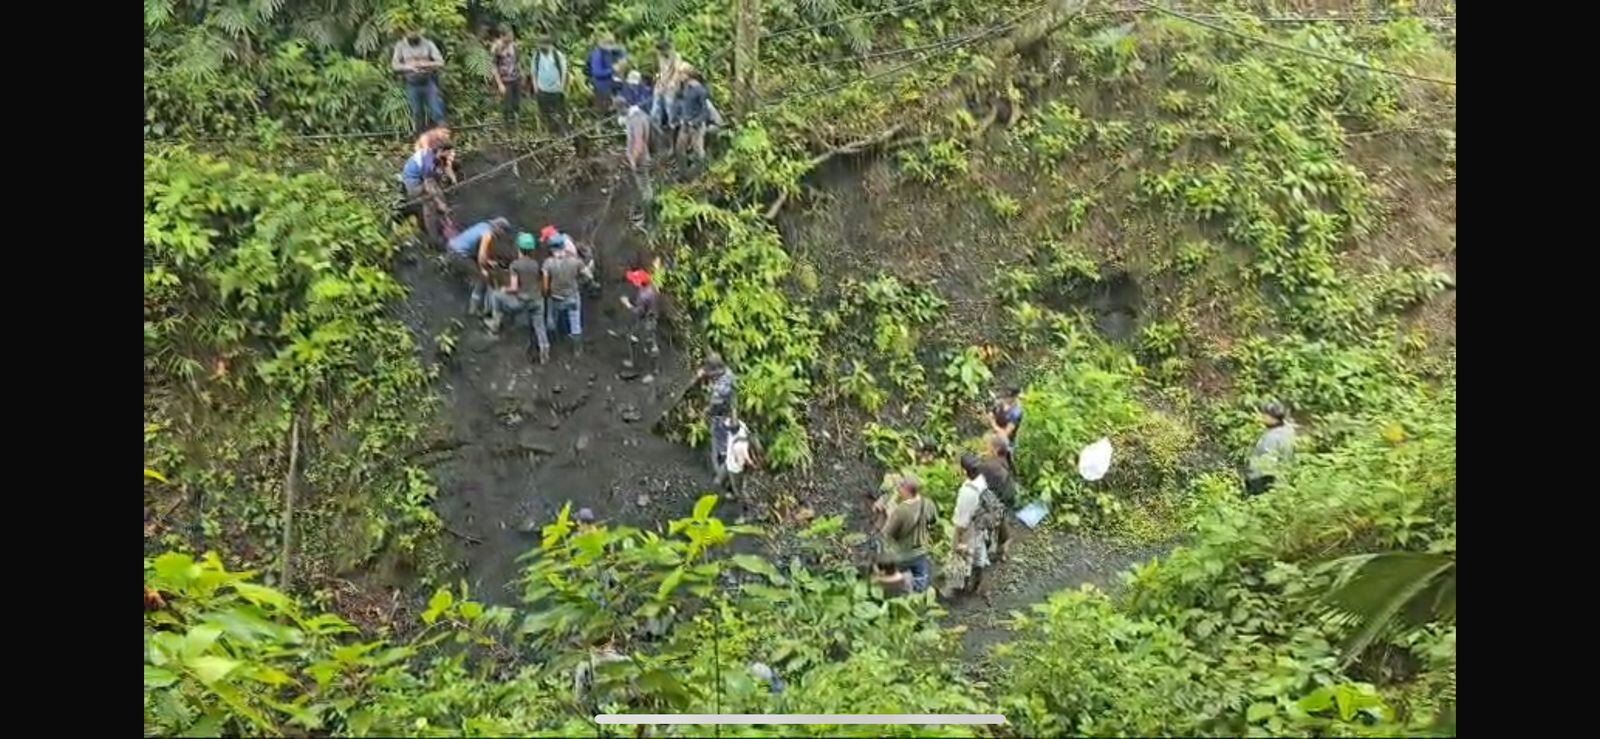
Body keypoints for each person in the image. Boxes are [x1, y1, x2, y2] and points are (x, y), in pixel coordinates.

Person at [486, 232, 552, 363]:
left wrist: (505, 289)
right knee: (540, 327)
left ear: (518, 248)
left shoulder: (515, 265)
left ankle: (495, 324)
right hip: (537, 301)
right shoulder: (535, 264)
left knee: (496, 295)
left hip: (521, 302)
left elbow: (514, 287)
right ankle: (544, 349)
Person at [946, 453, 1003, 596]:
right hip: (982, 527)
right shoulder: (983, 481)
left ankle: (958, 588)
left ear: (965, 471)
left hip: (969, 530)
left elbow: (961, 521)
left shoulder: (968, 491)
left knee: (960, 558)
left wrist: (958, 539)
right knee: (979, 555)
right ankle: (976, 585)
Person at [876, 475, 938, 593]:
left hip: (903, 554)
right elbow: (933, 521)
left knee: (891, 579)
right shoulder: (928, 503)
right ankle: (918, 600)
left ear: (906, 490)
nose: (898, 490)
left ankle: (904, 586)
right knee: (921, 580)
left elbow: (886, 533)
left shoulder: (901, 510)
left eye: (900, 487)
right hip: (921, 551)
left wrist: (889, 514)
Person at [446, 217, 510, 317]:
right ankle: (473, 309)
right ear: (499, 229)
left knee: (475, 271)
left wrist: (488, 261)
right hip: (459, 254)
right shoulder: (488, 235)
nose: (501, 236)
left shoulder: (482, 225)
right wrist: (483, 269)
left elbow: (476, 246)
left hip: (451, 246)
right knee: (482, 279)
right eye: (503, 233)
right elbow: (481, 256)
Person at [391, 30, 447, 135]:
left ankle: (443, 137)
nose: (412, 35)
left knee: (437, 110)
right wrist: (409, 67)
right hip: (412, 83)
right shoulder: (401, 46)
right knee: (417, 112)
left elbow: (440, 62)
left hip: (428, 82)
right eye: (409, 33)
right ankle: (420, 139)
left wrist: (424, 64)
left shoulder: (428, 44)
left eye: (414, 33)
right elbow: (395, 65)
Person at [541, 231, 585, 356]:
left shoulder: (547, 263)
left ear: (551, 248)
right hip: (572, 295)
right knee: (575, 322)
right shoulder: (575, 261)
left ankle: (553, 343)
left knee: (551, 320)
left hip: (555, 297)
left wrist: (546, 294)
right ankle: (577, 350)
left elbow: (545, 285)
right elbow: (587, 276)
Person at [696, 353, 738, 476]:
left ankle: (722, 468)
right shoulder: (727, 372)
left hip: (721, 415)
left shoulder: (721, 387)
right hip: (726, 410)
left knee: (719, 440)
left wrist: (704, 412)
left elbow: (714, 404)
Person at [1245, 402, 1296, 496]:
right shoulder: (1287, 430)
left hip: (1263, 479)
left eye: (1265, 415)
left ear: (1273, 418)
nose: (1262, 417)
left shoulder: (1273, 437)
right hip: (1280, 475)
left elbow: (1268, 461)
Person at [619, 268, 660, 374]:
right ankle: (650, 366)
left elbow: (638, 312)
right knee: (649, 342)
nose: (632, 282)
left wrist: (627, 304)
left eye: (634, 280)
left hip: (646, 322)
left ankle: (650, 369)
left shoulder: (643, 296)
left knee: (643, 342)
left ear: (639, 282)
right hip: (652, 318)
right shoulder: (652, 288)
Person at [542, 225, 598, 296]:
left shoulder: (562, 244)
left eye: (546, 239)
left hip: (574, 267)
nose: (546, 242)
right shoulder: (564, 237)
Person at [530, 36, 569, 133]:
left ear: (550, 45)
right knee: (544, 115)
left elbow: (564, 73)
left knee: (558, 115)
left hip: (556, 91)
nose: (541, 48)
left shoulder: (558, 56)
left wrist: (562, 88)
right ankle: (547, 134)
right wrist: (535, 87)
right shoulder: (537, 56)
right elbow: (533, 72)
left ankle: (560, 135)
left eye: (543, 46)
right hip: (542, 91)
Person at [718, 417, 762, 499]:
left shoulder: (740, 445)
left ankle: (738, 498)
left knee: (736, 486)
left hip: (735, 468)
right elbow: (726, 421)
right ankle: (726, 485)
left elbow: (746, 459)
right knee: (721, 478)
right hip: (728, 461)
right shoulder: (741, 425)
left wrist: (752, 465)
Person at [674, 69, 711, 163]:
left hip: (696, 125)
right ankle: (684, 172)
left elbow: (705, 111)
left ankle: (701, 171)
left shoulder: (700, 90)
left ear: (688, 75)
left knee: (698, 149)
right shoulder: (685, 88)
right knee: (680, 148)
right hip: (685, 123)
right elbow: (681, 103)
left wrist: (695, 122)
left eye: (681, 73)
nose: (679, 76)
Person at [651, 40, 687, 131]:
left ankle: (673, 124)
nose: (659, 53)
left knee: (669, 102)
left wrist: (671, 82)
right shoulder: (660, 57)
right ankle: (655, 124)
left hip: (673, 83)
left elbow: (677, 71)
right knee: (656, 99)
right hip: (663, 82)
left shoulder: (676, 56)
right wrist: (659, 80)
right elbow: (662, 71)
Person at [490, 25, 522, 126]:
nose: (511, 37)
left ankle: (516, 126)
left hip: (515, 78)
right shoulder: (497, 47)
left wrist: (521, 74)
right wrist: (499, 84)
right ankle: (508, 129)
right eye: (508, 35)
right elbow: (494, 66)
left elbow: (517, 61)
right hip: (505, 81)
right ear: (502, 36)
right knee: (507, 107)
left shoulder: (514, 46)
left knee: (516, 105)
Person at [587, 33, 628, 110]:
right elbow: (596, 72)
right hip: (601, 87)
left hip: (614, 86)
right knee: (604, 110)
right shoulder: (597, 54)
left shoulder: (612, 52)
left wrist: (623, 60)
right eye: (609, 43)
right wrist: (612, 69)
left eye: (612, 43)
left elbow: (622, 54)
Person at [986, 385, 1025, 459]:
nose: (1006, 399)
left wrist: (995, 427)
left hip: (1006, 444)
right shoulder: (999, 404)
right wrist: (995, 427)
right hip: (993, 439)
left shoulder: (1016, 412)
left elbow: (1006, 433)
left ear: (1015, 397)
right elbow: (990, 415)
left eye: (1009, 397)